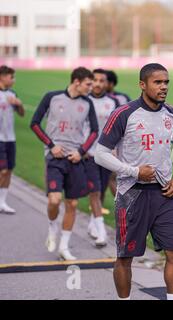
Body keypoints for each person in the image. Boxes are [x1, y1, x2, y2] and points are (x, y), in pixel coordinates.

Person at [95, 63, 173, 300]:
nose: (164, 86)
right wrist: (134, 171)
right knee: (125, 257)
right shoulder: (124, 113)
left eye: (166, 82)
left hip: (165, 194)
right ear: (142, 85)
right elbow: (100, 153)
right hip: (132, 194)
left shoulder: (172, 113)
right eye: (158, 82)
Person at [30, 67, 99, 261]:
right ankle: (53, 226)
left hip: (75, 159)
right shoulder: (52, 97)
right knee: (54, 200)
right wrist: (51, 145)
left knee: (73, 203)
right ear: (77, 82)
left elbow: (94, 131)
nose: (91, 87)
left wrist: (81, 152)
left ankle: (64, 246)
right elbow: (34, 123)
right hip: (54, 158)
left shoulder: (87, 104)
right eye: (88, 84)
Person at [85, 68, 120, 246]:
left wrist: (116, 148)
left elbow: (118, 129)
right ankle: (101, 233)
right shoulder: (84, 100)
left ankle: (93, 222)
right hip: (89, 154)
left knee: (103, 190)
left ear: (107, 83)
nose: (98, 84)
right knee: (95, 191)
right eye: (95, 80)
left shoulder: (113, 102)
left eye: (102, 80)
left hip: (107, 154)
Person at [102, 70, 131, 213]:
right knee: (108, 177)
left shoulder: (120, 99)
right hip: (106, 142)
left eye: (104, 81)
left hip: (117, 142)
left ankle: (122, 207)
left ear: (111, 83)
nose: (100, 83)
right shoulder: (121, 97)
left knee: (110, 177)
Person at [0, 65, 25, 213]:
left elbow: (21, 114)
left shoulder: (12, 93)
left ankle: (2, 202)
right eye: (11, 77)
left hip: (10, 138)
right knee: (2, 170)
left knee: (9, 170)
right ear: (2, 77)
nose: (13, 80)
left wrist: (19, 104)